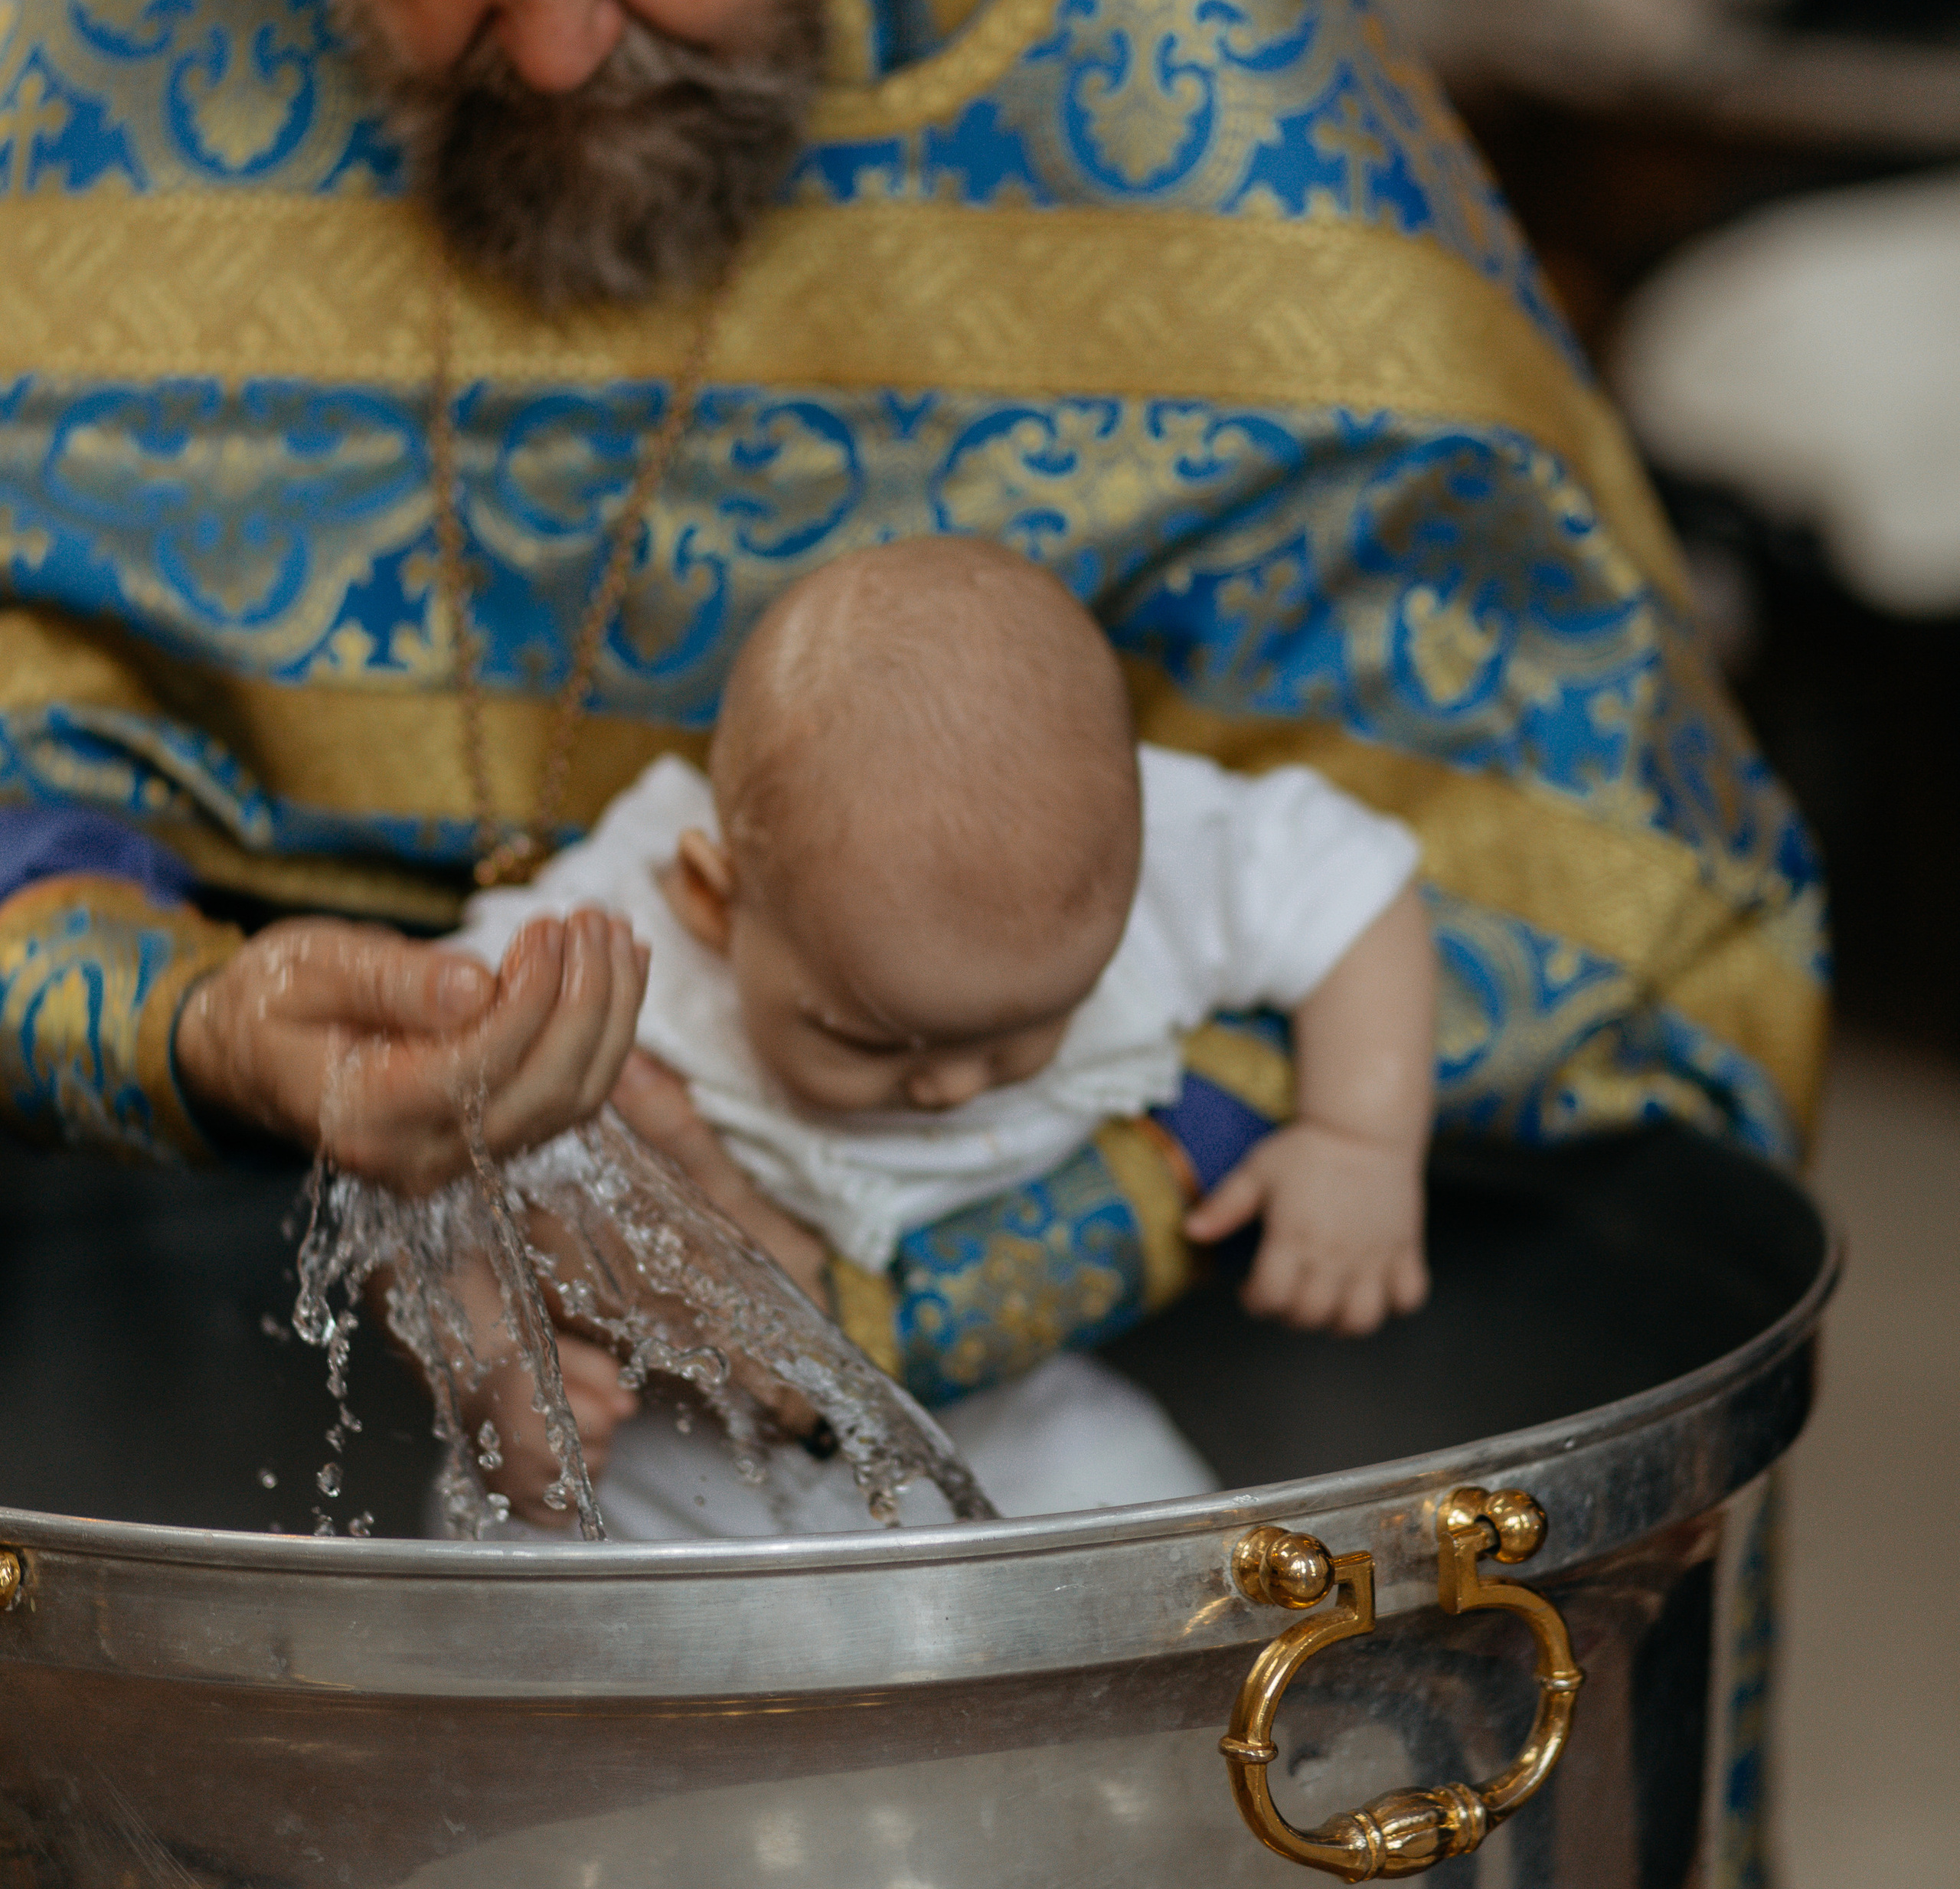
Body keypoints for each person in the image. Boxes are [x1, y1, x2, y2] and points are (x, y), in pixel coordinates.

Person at [0, 0, 1824, 1889]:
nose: (558, 39)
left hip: (1126, 1743)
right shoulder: (101, 173)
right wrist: (189, 1004)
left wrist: (1080, 1181)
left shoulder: (1206, 188)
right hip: (356, 1718)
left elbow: (1627, 886)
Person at [452, 536, 1432, 1525]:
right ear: (717, 901)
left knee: (1179, 1559)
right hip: (668, 1430)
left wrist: (1360, 1137)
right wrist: (492, 1362)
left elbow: (1353, 888)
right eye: (875, 1042)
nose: (955, 1087)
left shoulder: (1157, 849)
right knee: (526, 1543)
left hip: (1010, 1422)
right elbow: (425, 1161)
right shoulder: (602, 941)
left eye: (1023, 1031)